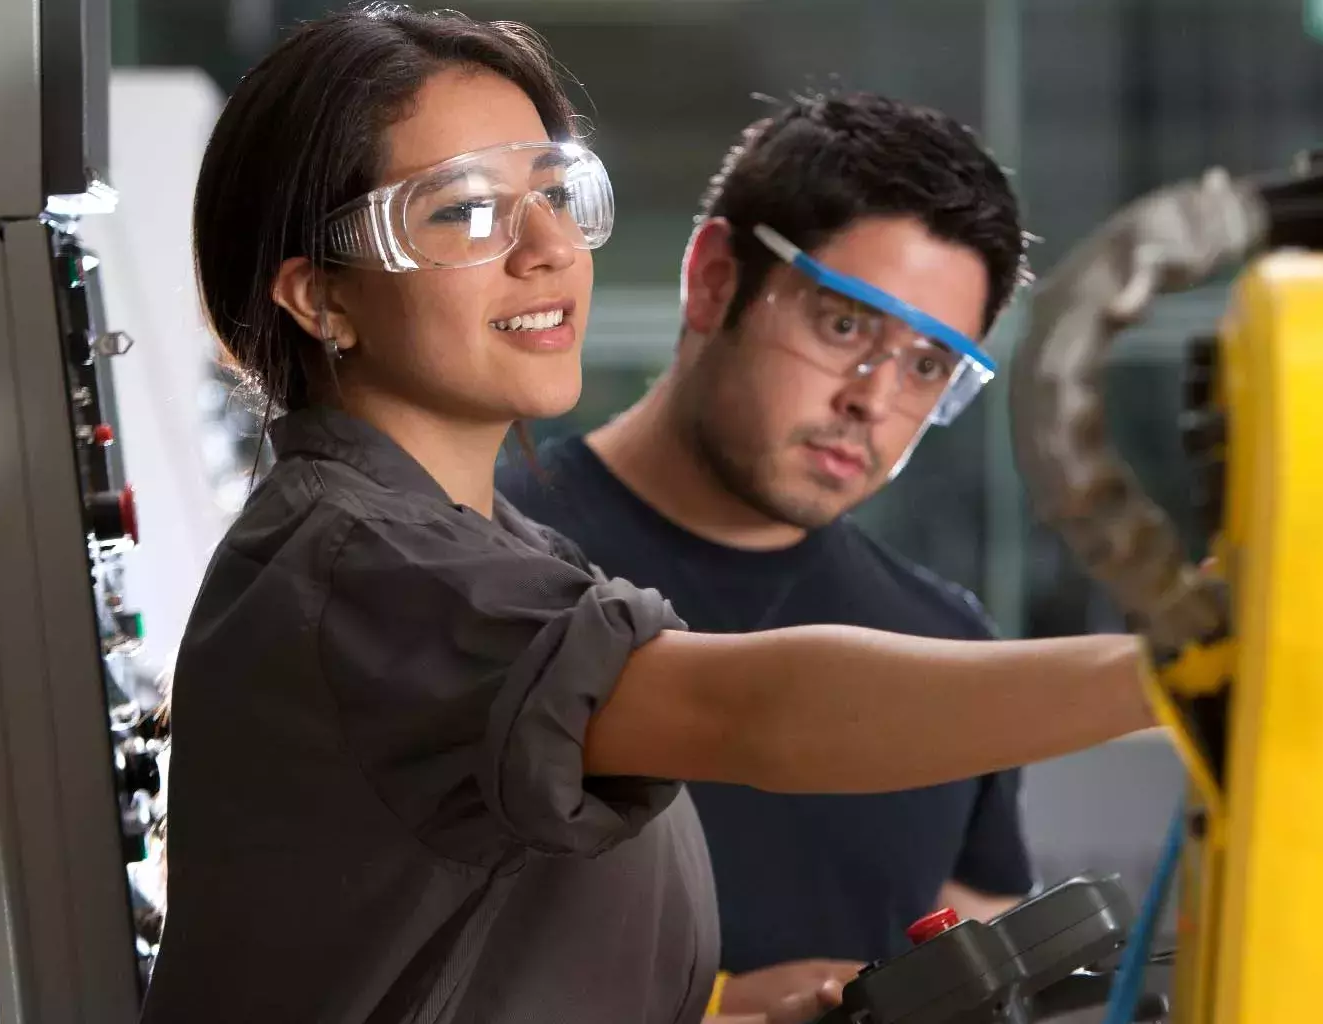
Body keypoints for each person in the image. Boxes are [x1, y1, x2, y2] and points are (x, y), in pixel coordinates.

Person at [141, 6, 1154, 1024]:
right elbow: (752, 714)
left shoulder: (496, 550)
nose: (547, 248)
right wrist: (1186, 666)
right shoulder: (368, 569)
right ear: (322, 300)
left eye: (553, 194)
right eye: (464, 211)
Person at [498, 92, 1038, 1017]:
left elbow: (985, 980)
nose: (873, 400)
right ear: (713, 279)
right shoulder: (482, 571)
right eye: (843, 326)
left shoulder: (950, 653)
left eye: (926, 366)